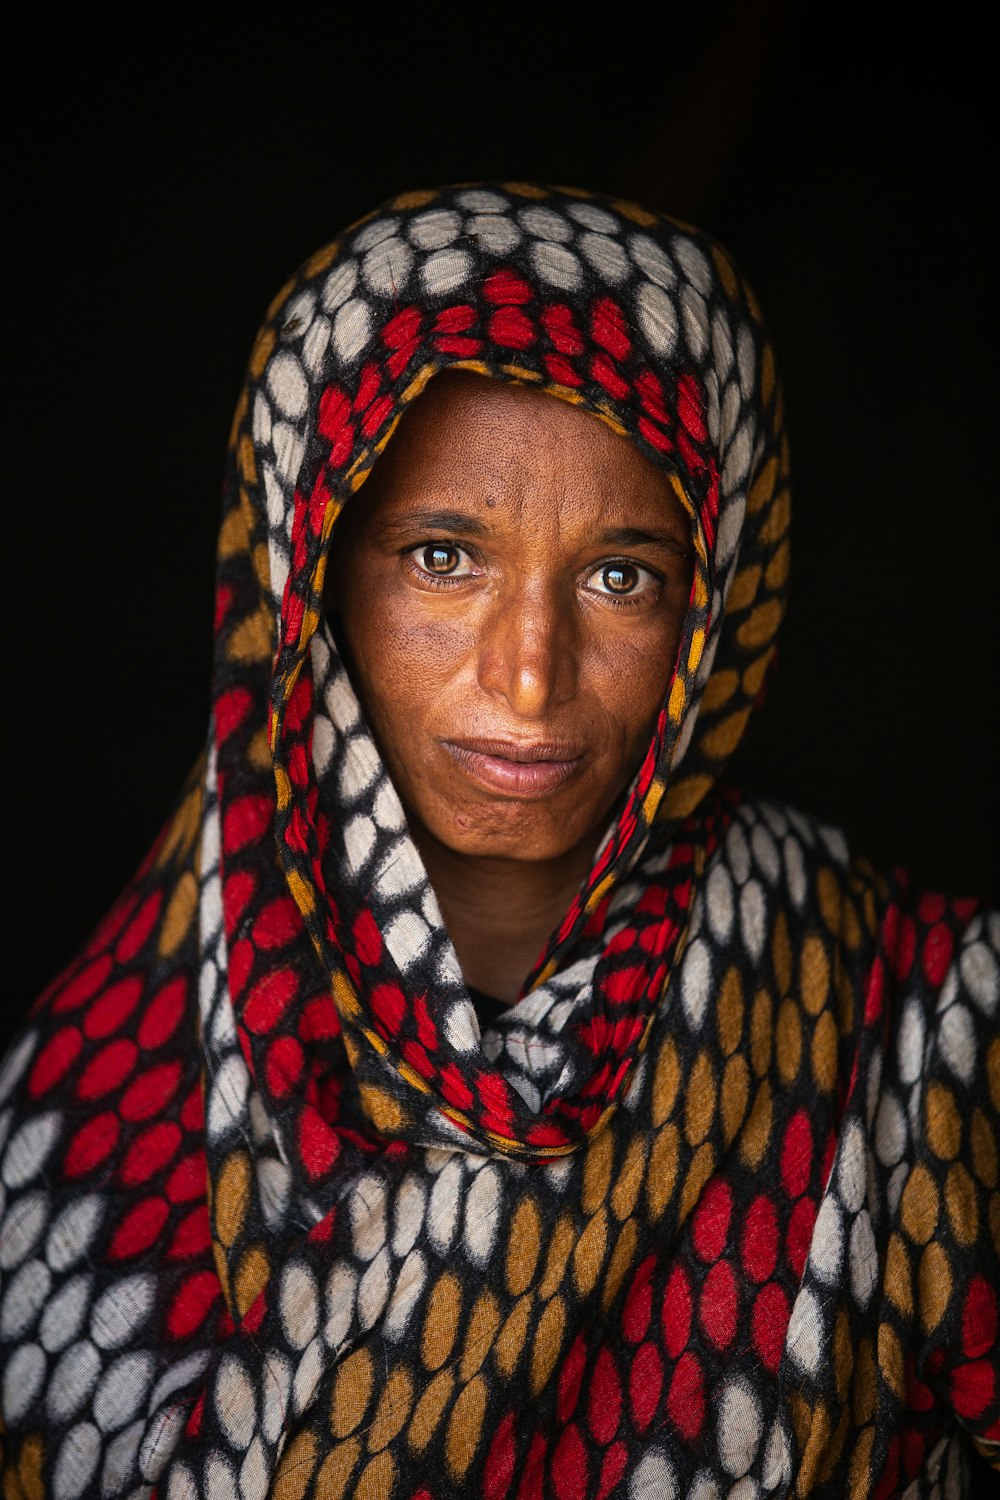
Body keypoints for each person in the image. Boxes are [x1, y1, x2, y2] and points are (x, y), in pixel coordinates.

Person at [0, 182, 996, 1500]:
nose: (531, 679)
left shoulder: (923, 1036)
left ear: (720, 603)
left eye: (619, 575)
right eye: (442, 559)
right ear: (312, 565)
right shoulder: (96, 1095)